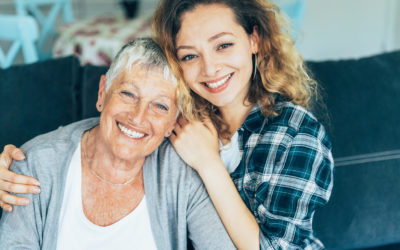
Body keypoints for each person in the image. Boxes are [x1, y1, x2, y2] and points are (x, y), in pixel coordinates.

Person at [0, 0, 334, 249]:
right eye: (190, 55)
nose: (210, 68)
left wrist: (208, 163)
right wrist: (27, 160)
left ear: (254, 39)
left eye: (223, 45)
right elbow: (125, 125)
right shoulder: (181, 119)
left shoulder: (295, 135)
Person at [0, 38, 235, 250]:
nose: (138, 117)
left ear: (172, 121)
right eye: (128, 94)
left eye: (160, 106)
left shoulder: (182, 174)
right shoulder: (34, 164)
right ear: (103, 92)